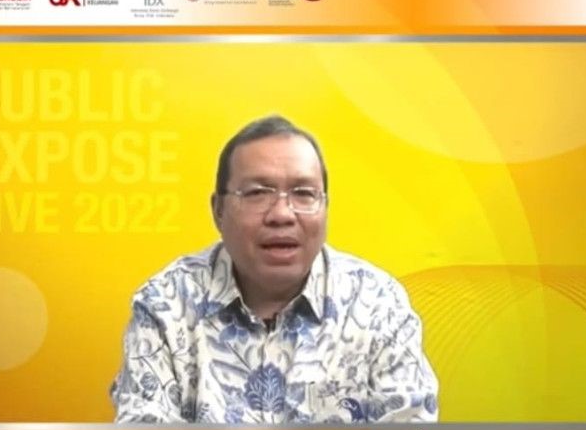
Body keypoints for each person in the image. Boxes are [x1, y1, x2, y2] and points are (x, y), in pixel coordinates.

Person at [110, 116, 438, 423]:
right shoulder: (165, 305)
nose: (282, 214)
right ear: (219, 210)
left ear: (325, 207)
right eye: (257, 193)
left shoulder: (378, 305)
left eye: (304, 193)